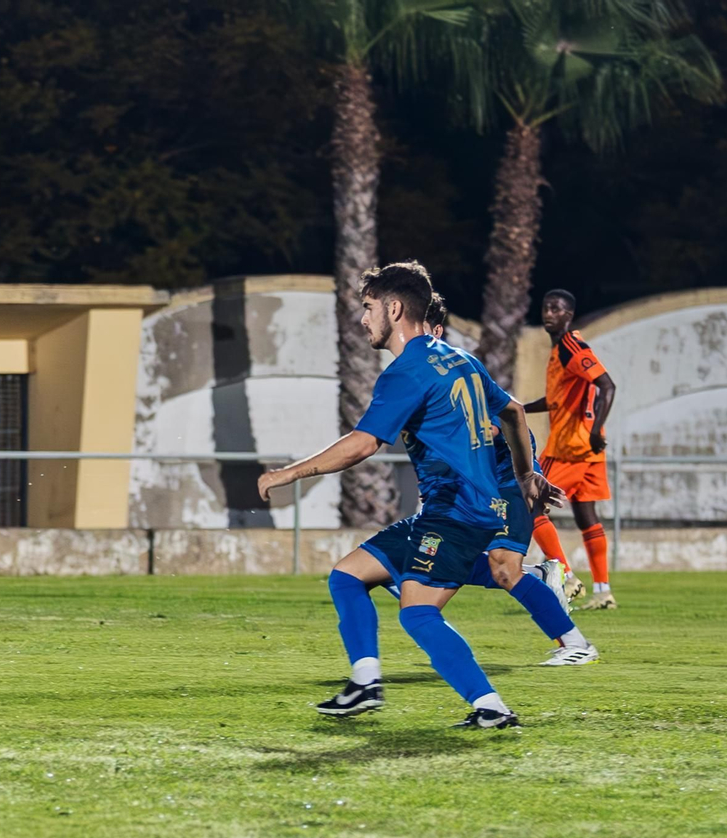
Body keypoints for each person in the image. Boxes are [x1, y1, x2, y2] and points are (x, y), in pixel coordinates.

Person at [258, 261, 563, 729]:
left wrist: (287, 474)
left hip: (454, 513)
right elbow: (516, 412)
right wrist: (527, 475)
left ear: (394, 308)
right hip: (458, 511)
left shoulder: (408, 371)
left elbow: (362, 444)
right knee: (347, 576)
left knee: (418, 613)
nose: (362, 319)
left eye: (367, 307)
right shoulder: (461, 358)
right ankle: (365, 682)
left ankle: (492, 708)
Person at [419, 297, 597, 666]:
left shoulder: (456, 370)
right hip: (466, 486)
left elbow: (507, 419)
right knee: (435, 563)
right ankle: (539, 575)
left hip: (503, 480)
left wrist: (527, 475)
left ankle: (576, 645)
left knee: (503, 566)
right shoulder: (414, 379)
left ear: (435, 332)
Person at [524, 289, 619, 610]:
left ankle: (564, 576)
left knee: (531, 504)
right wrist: (518, 409)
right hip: (587, 451)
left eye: (555, 308)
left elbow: (607, 385)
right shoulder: (558, 352)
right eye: (545, 307)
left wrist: (593, 431)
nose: (548, 313)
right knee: (587, 517)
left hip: (571, 447)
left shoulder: (571, 347)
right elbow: (555, 401)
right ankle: (603, 592)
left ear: (569, 315)